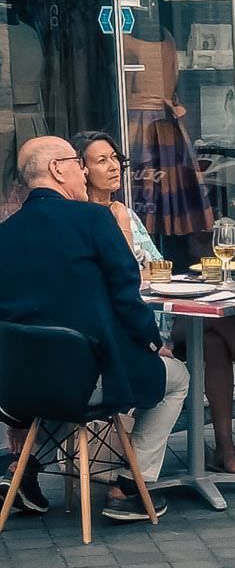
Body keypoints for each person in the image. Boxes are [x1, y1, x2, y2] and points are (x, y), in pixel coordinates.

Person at [72, 131, 235, 475]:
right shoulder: (89, 218)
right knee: (214, 320)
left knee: (213, 333)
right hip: (136, 324)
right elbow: (125, 278)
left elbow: (153, 263)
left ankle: (225, 450)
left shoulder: (125, 212)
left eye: (115, 159)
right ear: (83, 169)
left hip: (158, 312)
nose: (113, 167)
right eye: (101, 160)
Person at [0, 136, 188, 522]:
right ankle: (129, 487)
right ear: (56, 169)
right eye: (76, 162)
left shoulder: (6, 233)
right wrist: (153, 343)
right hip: (90, 378)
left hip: (22, 383)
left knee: (62, 373)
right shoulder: (93, 219)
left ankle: (23, 476)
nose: (83, 172)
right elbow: (126, 294)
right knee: (178, 377)